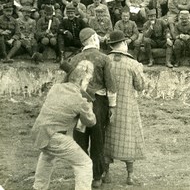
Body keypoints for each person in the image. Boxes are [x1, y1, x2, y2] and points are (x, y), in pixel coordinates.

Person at [32, 60, 96, 190]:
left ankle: (38, 187)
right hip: (55, 136)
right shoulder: (80, 100)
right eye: (87, 82)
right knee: (84, 163)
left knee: (47, 155)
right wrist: (88, 106)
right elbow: (91, 122)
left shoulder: (56, 88)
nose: (87, 84)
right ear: (81, 82)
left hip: (39, 132)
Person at [68, 27, 117, 188]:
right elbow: (111, 85)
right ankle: (96, 176)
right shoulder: (104, 59)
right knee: (98, 139)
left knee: (80, 138)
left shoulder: (74, 59)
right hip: (98, 103)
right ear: (94, 39)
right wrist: (112, 106)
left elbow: (66, 84)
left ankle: (82, 175)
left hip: (78, 103)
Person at [103, 29, 145, 186]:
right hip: (127, 107)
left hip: (107, 106)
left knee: (107, 138)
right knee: (128, 138)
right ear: (124, 43)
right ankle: (130, 175)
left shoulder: (105, 60)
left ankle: (106, 174)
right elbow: (140, 86)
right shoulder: (132, 64)